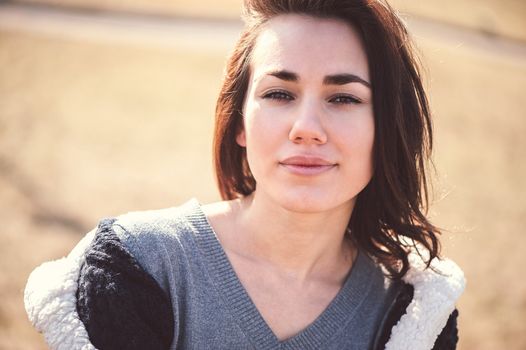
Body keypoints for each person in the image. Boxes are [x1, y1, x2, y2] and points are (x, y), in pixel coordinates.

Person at [24, 0, 466, 349]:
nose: (307, 129)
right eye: (279, 93)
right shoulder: (138, 266)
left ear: (388, 126)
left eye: (344, 98)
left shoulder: (412, 315)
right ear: (239, 122)